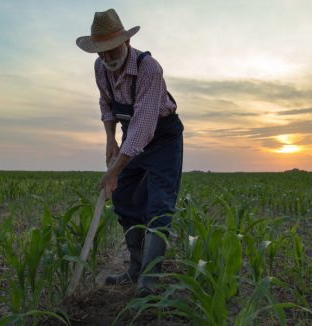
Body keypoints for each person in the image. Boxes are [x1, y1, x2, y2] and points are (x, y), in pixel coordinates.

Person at [76, 8, 183, 297]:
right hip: (129, 135)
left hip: (161, 137)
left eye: (112, 49)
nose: (109, 58)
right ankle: (134, 269)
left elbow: (144, 126)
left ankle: (147, 283)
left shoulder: (149, 68)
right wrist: (110, 137)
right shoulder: (101, 69)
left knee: (159, 205)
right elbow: (106, 103)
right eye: (102, 52)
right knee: (123, 197)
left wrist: (114, 169)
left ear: (125, 42)